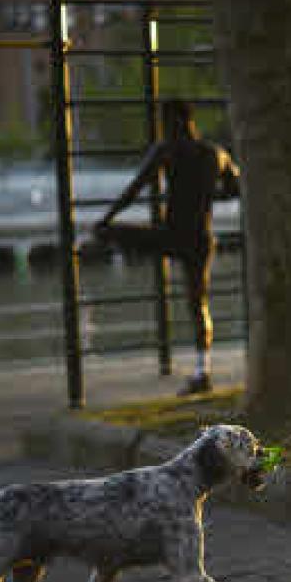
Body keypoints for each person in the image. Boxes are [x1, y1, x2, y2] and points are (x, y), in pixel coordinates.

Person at [94, 99, 239, 396]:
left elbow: (135, 189)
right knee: (198, 304)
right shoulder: (216, 153)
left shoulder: (167, 150)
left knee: (112, 233)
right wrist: (207, 196)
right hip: (200, 237)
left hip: (171, 236)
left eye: (165, 121)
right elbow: (234, 189)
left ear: (174, 121)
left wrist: (106, 220)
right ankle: (202, 371)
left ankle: (107, 247)